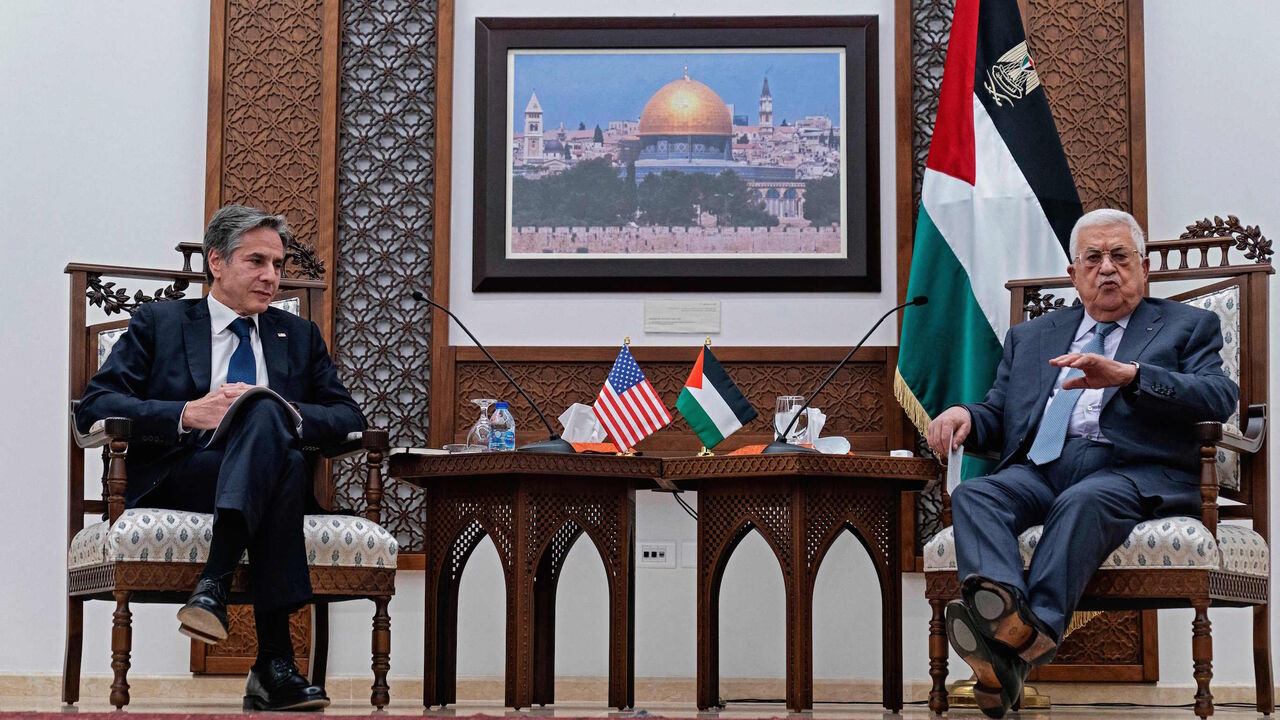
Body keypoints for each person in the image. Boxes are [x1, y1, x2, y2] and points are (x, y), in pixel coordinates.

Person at [926, 209, 1237, 718]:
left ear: (1143, 265)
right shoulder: (1034, 337)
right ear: (1074, 275)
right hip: (1041, 468)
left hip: (1129, 470)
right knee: (976, 493)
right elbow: (1000, 414)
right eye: (1093, 258)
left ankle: (1030, 636)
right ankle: (1007, 615)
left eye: (1120, 256)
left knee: (1083, 499)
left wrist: (1129, 375)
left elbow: (1218, 396)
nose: (1107, 269)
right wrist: (964, 413)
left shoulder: (1187, 326)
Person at [76, 205, 365, 712]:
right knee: (286, 465)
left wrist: (279, 412)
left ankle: (213, 584)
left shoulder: (296, 336)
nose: (271, 276)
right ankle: (274, 665)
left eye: (277, 264)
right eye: (256, 261)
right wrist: (189, 412)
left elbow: (346, 415)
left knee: (268, 421)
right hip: (182, 473)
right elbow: (95, 406)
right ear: (216, 261)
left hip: (264, 476)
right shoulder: (158, 323)